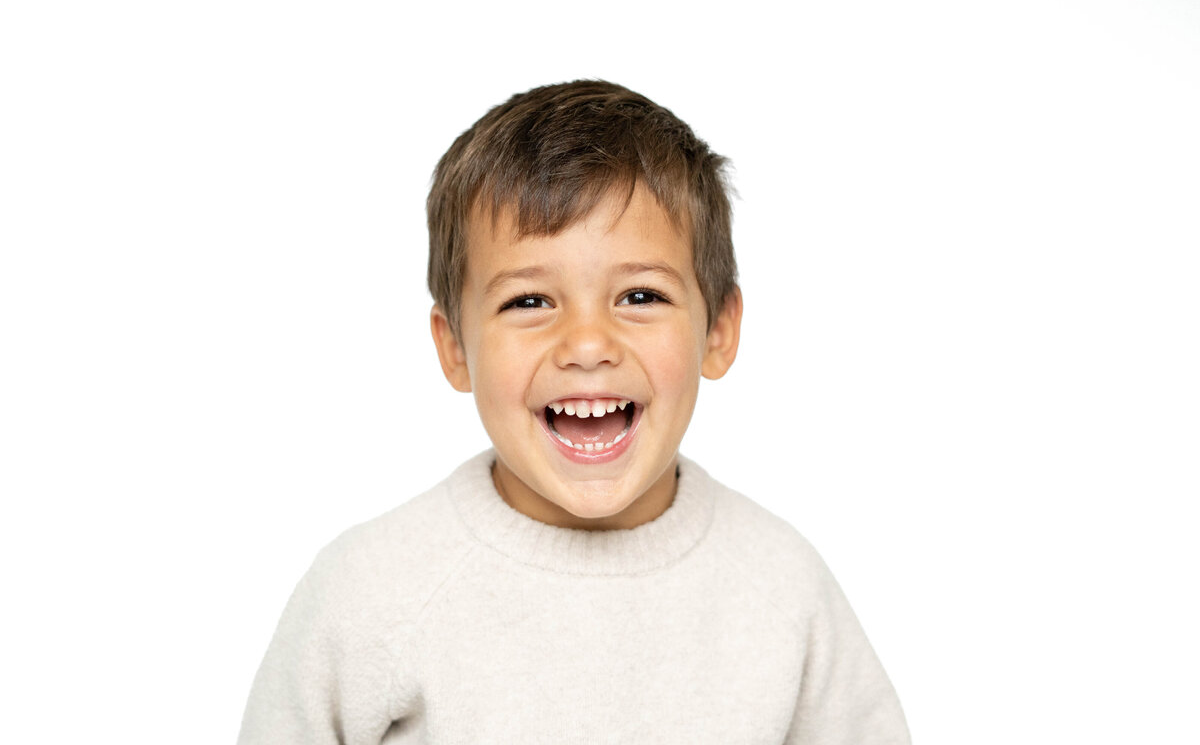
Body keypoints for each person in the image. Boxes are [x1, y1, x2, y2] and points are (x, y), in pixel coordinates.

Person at [238, 80, 910, 744]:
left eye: (640, 296)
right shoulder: (369, 592)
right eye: (529, 301)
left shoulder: (782, 589)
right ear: (455, 349)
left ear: (719, 331)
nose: (588, 345)